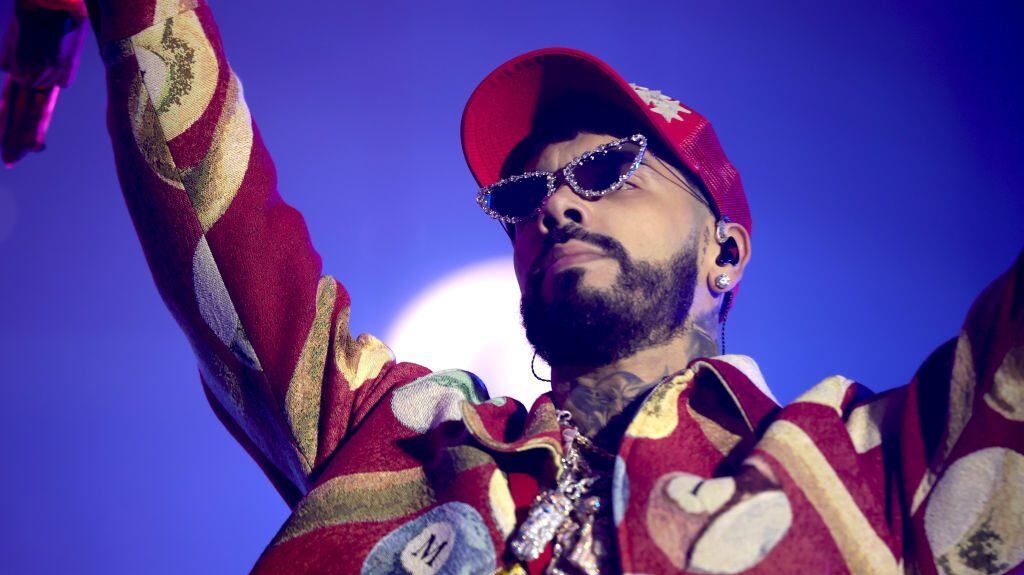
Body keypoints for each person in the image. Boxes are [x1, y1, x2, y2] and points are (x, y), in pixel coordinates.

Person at [3, 1, 1022, 573]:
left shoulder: (874, 467)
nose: (557, 206)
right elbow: (217, 217)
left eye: (606, 169)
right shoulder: (395, 432)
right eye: (526, 190)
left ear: (725, 251)